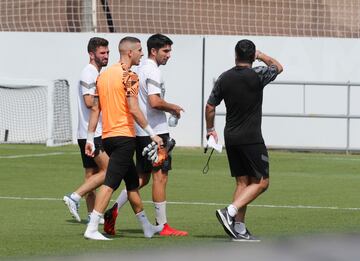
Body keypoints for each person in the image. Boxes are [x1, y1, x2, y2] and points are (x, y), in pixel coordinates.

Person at [103, 34, 188, 236]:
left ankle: (113, 210)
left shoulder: (140, 69)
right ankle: (163, 225)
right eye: (165, 51)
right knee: (160, 177)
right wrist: (173, 108)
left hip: (141, 132)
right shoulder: (152, 70)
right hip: (155, 132)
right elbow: (154, 101)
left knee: (141, 178)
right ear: (154, 51)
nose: (169, 55)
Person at [83, 36, 164, 240]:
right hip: (124, 137)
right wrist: (152, 134)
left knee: (132, 184)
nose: (142, 54)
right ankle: (92, 228)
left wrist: (91, 138)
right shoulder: (130, 76)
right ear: (130, 53)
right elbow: (134, 109)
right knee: (110, 184)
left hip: (108, 137)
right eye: (139, 50)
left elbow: (95, 108)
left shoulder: (104, 75)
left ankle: (146, 227)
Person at [205, 39, 283, 241]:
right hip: (251, 138)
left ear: (235, 55)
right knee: (262, 182)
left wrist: (210, 130)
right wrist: (262, 55)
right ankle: (229, 212)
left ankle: (238, 227)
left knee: (243, 182)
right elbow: (279, 67)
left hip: (231, 136)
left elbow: (210, 107)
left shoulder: (224, 77)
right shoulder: (258, 74)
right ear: (252, 56)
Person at [63, 37, 110, 223]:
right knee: (110, 169)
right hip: (92, 133)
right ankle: (74, 196)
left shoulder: (96, 73)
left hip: (89, 132)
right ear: (92, 54)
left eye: (107, 52)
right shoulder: (88, 73)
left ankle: (92, 215)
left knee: (91, 175)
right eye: (102, 53)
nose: (106, 56)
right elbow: (89, 102)